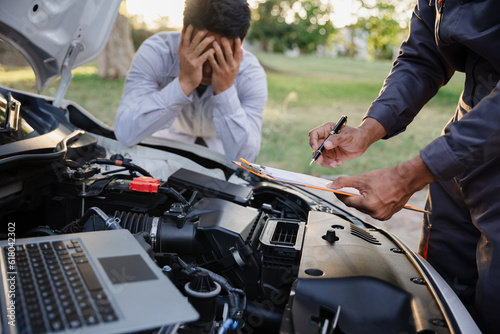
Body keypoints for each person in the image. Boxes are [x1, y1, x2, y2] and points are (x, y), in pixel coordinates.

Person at [308, 1, 500, 332]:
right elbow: (421, 58)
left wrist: (405, 177)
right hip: (459, 151)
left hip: (483, 143)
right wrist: (367, 131)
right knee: (438, 298)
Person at [114, 0, 267, 163]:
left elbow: (247, 159)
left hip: (222, 151)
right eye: (200, 52)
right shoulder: (157, 53)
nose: (207, 70)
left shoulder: (250, 73)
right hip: (165, 142)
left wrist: (225, 89)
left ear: (240, 45)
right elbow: (125, 133)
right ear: (183, 36)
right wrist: (183, 83)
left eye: (218, 57)